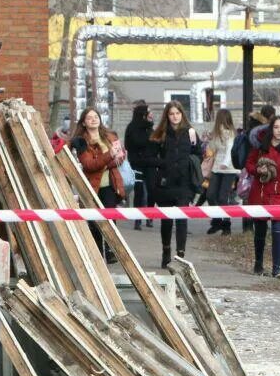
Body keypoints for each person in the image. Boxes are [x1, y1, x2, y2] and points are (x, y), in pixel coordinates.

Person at [148, 100, 204, 268]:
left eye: (177, 113)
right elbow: (151, 157)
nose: (175, 117)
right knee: (167, 219)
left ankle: (180, 255)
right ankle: (166, 250)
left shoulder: (191, 132)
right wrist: (163, 164)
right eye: (171, 114)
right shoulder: (160, 134)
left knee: (181, 219)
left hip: (184, 183)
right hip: (165, 183)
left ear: (182, 114)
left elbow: (199, 153)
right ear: (167, 115)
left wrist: (189, 164)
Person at [244, 114, 280, 278]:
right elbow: (249, 164)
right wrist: (256, 170)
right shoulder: (260, 147)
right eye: (276, 127)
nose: (279, 131)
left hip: (279, 194)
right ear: (271, 129)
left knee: (277, 230)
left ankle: (277, 268)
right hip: (260, 193)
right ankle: (258, 264)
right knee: (260, 231)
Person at [70, 107, 126, 264]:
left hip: (111, 184)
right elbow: (89, 165)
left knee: (110, 218)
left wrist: (109, 161)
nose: (93, 119)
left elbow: (121, 156)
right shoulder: (81, 141)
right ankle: (96, 254)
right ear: (84, 122)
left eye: (96, 116)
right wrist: (109, 156)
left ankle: (109, 250)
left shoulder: (110, 135)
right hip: (92, 187)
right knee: (94, 220)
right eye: (89, 118)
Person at [203, 109, 239, 235]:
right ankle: (217, 220)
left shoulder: (231, 134)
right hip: (217, 167)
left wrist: (225, 163)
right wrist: (208, 139)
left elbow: (230, 149)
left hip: (229, 168)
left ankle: (226, 225)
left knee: (223, 197)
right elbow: (212, 149)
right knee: (210, 195)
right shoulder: (216, 133)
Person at [123, 100, 156, 230]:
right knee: (139, 191)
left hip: (150, 165)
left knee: (151, 190)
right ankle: (138, 219)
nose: (151, 114)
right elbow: (130, 144)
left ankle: (149, 216)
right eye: (149, 112)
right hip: (138, 164)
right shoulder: (133, 128)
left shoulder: (150, 128)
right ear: (143, 114)